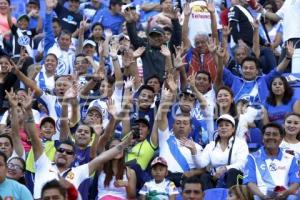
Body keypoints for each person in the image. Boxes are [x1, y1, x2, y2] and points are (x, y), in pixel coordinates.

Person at [21, 88, 133, 199]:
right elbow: (35, 138)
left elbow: (102, 157)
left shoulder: (79, 171)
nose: (64, 153)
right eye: (60, 150)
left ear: (73, 158)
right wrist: (29, 112)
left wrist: (123, 145)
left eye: (69, 152)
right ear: (55, 153)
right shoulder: (44, 163)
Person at [220, 41, 294, 104]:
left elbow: (278, 71)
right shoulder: (234, 80)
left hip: (261, 116)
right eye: (245, 68)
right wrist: (216, 56)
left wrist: (288, 57)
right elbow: (221, 68)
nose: (248, 70)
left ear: (257, 71)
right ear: (241, 70)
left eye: (251, 68)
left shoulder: (264, 80)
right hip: (238, 115)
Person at [243, 123, 300, 200]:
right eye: (267, 134)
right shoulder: (252, 157)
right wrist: (262, 196)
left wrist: (285, 193)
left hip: (285, 195)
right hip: (261, 196)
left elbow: (295, 182)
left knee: (292, 198)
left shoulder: (291, 157)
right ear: (262, 138)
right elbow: (250, 183)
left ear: (281, 138)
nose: (271, 137)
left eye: (275, 134)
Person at [199, 114, 249, 190]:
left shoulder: (241, 143)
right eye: (220, 125)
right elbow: (201, 164)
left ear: (233, 129)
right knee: (204, 176)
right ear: (217, 129)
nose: (223, 128)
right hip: (215, 177)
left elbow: (242, 164)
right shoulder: (211, 145)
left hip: (236, 176)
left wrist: (226, 168)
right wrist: (193, 152)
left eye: (227, 125)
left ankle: (231, 197)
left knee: (232, 172)